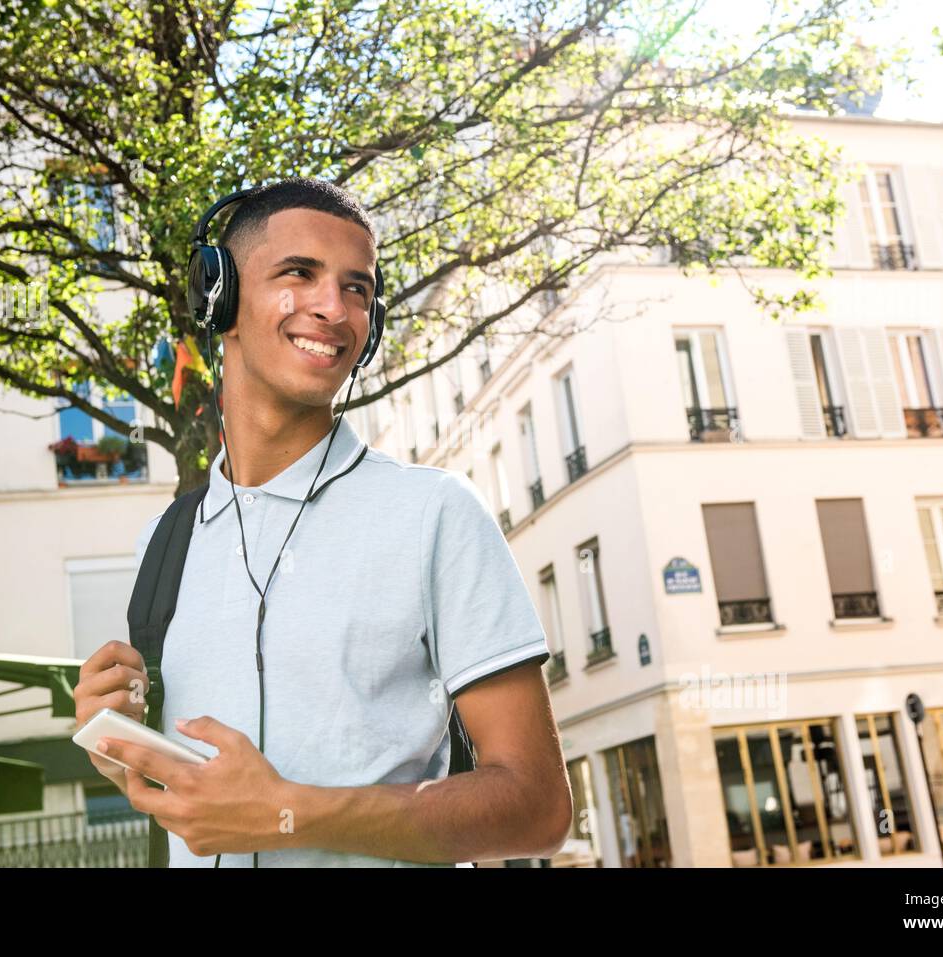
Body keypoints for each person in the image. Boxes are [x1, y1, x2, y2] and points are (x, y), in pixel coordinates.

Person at [73, 178, 572, 867]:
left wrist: (288, 812)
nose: (333, 308)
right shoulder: (163, 545)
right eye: (298, 274)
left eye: (357, 288)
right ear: (219, 296)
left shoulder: (435, 514)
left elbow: (538, 807)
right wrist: (123, 743)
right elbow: (200, 798)